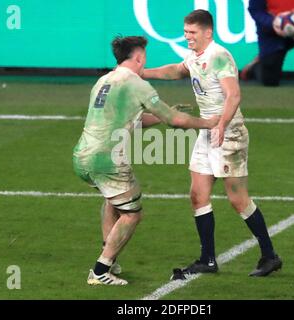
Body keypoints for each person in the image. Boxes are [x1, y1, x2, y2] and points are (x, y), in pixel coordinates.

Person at [143, 10, 282, 277]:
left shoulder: (219, 56)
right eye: (185, 32)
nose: (187, 37)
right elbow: (177, 70)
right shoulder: (195, 56)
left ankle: (269, 255)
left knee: (238, 200)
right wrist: (143, 72)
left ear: (208, 32)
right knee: (198, 195)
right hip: (208, 131)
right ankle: (207, 259)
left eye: (192, 33)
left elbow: (234, 95)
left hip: (229, 133)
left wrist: (221, 125)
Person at [72, 35, 219, 286]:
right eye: (144, 57)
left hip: (82, 157)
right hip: (106, 160)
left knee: (113, 201)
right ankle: (100, 270)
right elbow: (175, 120)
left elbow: (132, 120)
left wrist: (164, 117)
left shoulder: (103, 81)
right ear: (139, 57)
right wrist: (207, 122)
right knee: (132, 214)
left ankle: (111, 258)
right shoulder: (136, 84)